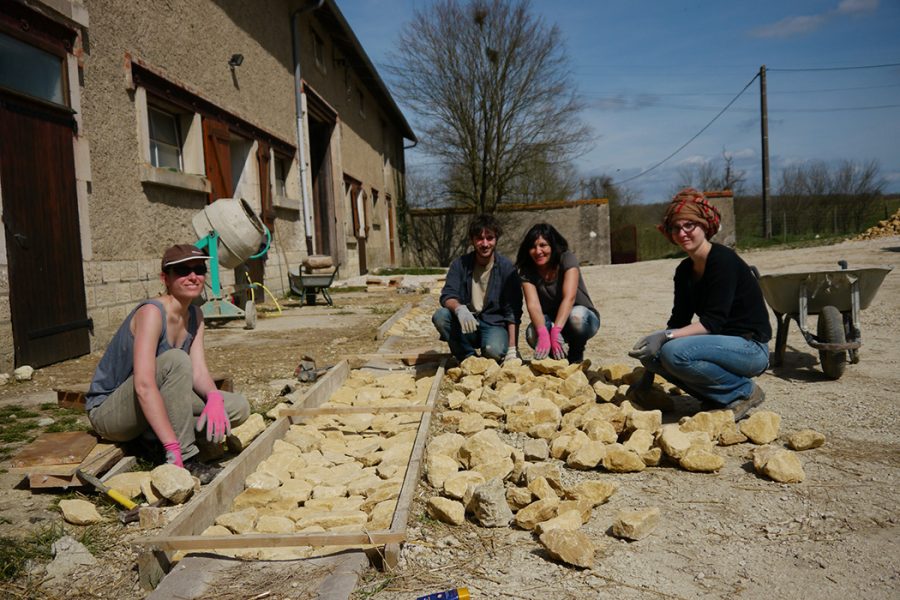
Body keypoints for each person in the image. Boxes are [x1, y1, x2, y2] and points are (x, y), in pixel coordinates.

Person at [86, 244, 250, 483]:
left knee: (238, 406)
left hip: (149, 405)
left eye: (199, 269)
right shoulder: (152, 313)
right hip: (110, 413)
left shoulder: (196, 315)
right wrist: (174, 446)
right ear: (165, 278)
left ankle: (152, 437)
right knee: (175, 360)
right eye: (182, 270)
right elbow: (143, 385)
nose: (193, 276)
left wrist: (214, 398)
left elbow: (199, 371)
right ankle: (187, 457)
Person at [629, 188, 771, 420]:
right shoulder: (684, 270)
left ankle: (745, 392)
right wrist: (647, 376)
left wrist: (665, 337)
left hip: (750, 347)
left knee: (674, 352)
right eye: (676, 227)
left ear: (704, 226)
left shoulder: (723, 260)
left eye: (689, 225)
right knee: (651, 355)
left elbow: (712, 323)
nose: (682, 232)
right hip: (719, 345)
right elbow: (679, 321)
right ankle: (719, 398)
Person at [432, 214, 523, 363]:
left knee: (493, 351)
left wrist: (513, 349)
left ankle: (491, 352)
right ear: (472, 240)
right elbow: (448, 295)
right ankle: (468, 358)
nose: (485, 243)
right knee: (441, 316)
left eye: (490, 237)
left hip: (494, 324)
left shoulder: (507, 268)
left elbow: (513, 311)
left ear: (496, 239)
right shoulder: (460, 265)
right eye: (480, 238)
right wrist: (459, 309)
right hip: (467, 324)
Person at [516, 223, 600, 363]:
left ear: (553, 245)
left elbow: (569, 297)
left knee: (577, 316)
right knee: (532, 333)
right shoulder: (526, 269)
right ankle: (554, 361)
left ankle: (575, 355)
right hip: (551, 319)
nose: (538, 251)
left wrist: (555, 331)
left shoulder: (566, 258)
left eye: (543, 245)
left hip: (581, 318)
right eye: (533, 247)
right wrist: (543, 333)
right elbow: (533, 305)